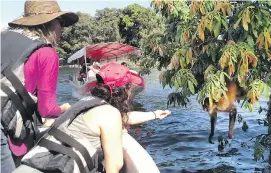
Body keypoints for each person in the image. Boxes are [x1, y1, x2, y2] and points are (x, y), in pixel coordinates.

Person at [12, 63, 171, 173]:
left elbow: (125, 118)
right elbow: (114, 165)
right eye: (130, 88)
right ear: (125, 90)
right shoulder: (110, 114)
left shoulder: (85, 103)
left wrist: (155, 115)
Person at [1, 0, 78, 172]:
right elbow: (47, 109)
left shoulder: (3, 38)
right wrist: (65, 108)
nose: (63, 29)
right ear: (48, 24)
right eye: (62, 23)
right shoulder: (46, 53)